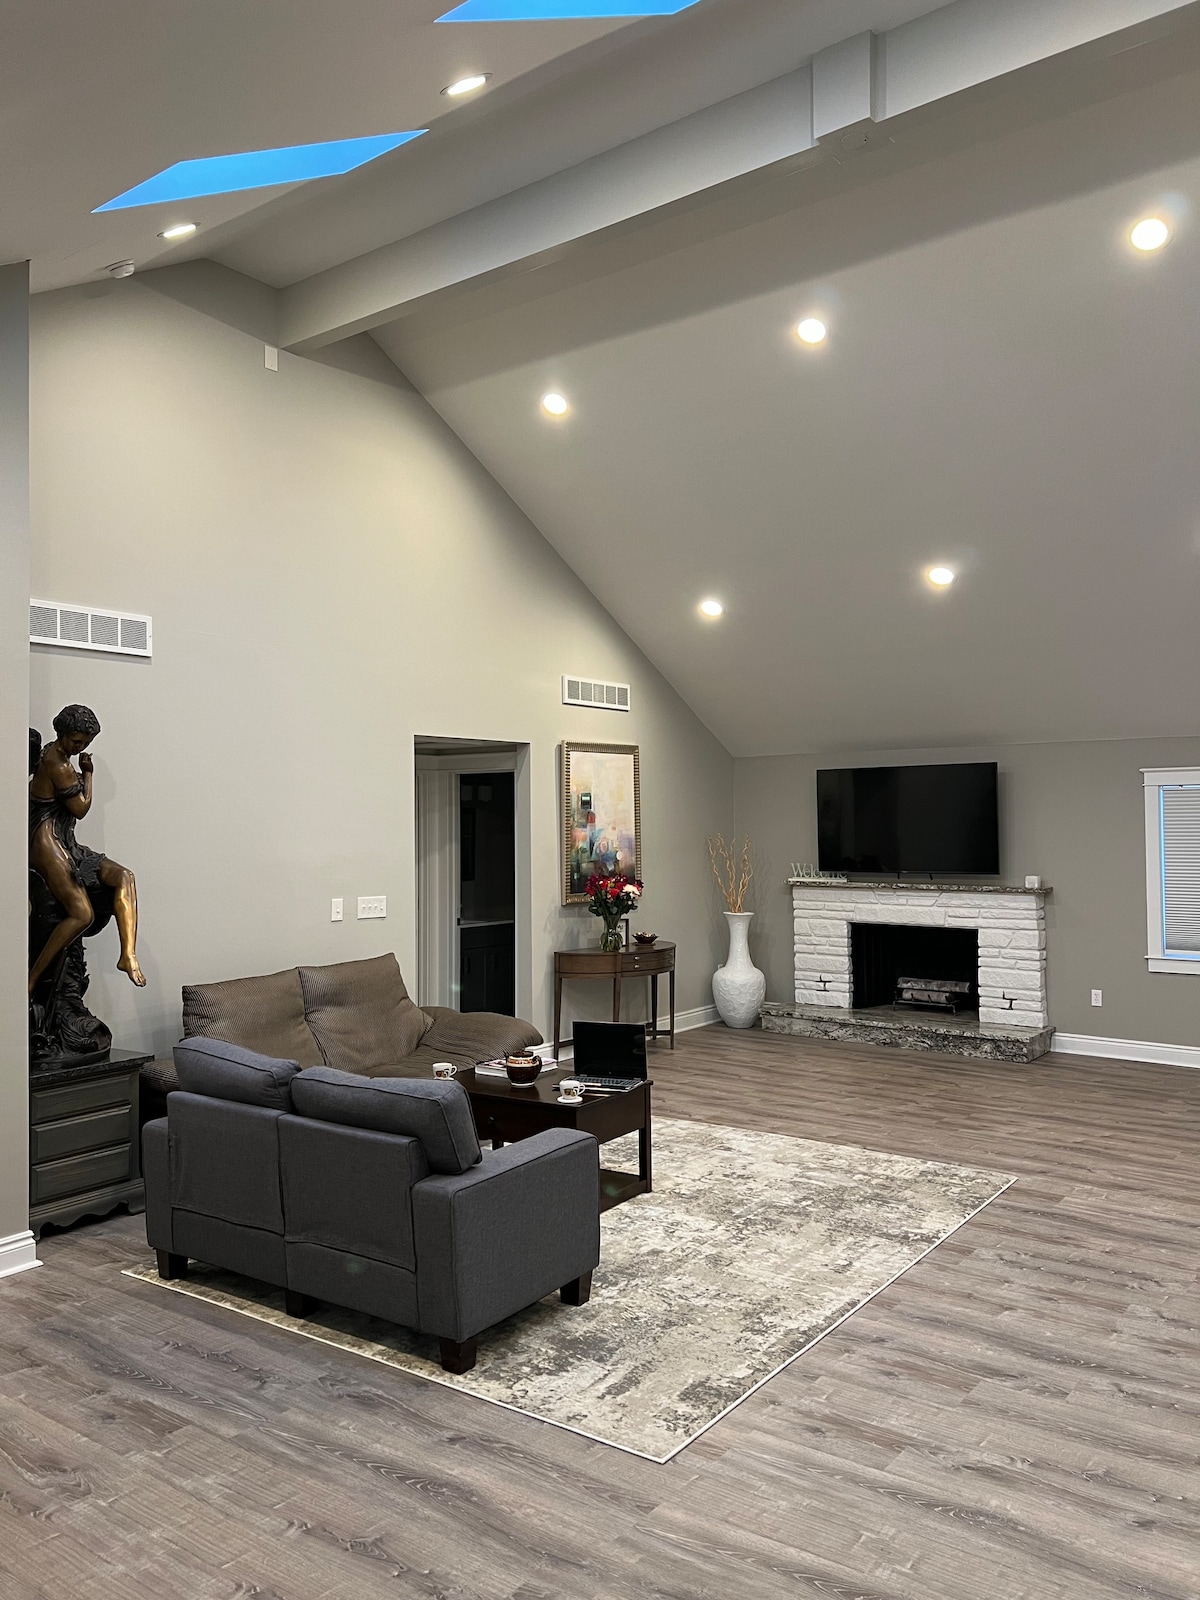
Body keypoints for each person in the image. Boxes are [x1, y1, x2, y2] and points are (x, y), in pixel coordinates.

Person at [28, 704, 145, 992]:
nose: (81, 748)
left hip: (65, 840)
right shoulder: (58, 764)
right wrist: (88, 775)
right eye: (77, 741)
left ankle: (128, 955)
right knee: (82, 914)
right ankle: (31, 980)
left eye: (86, 743)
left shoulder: (59, 757)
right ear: (62, 734)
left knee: (125, 876)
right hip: (46, 842)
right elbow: (80, 808)